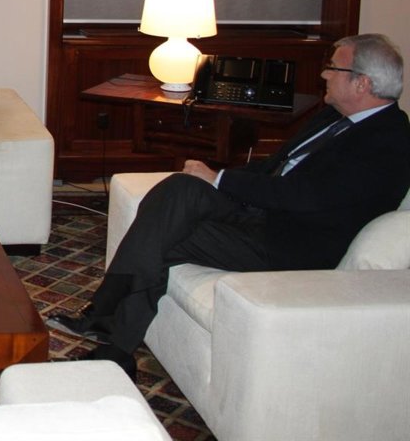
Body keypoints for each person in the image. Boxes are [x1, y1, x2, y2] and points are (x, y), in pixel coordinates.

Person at [47, 33, 410, 378]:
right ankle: (111, 338)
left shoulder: (390, 142)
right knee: (181, 189)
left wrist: (221, 179)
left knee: (162, 237)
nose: (324, 74)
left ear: (362, 83)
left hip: (292, 244)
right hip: (264, 214)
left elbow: (307, 196)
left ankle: (110, 334)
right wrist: (218, 178)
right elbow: (275, 166)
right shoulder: (333, 117)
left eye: (333, 68)